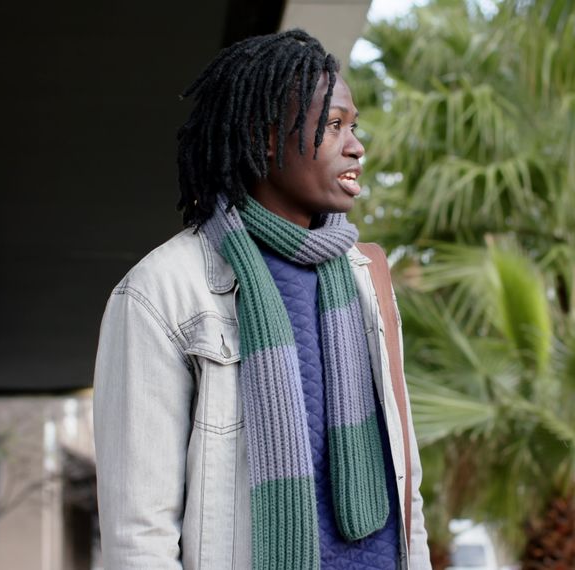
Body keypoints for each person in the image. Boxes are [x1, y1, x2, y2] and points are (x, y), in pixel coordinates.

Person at [92, 29, 431, 569]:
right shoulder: (162, 292)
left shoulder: (366, 278)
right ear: (267, 138)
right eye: (333, 125)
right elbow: (140, 537)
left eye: (355, 126)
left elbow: (404, 485)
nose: (356, 146)